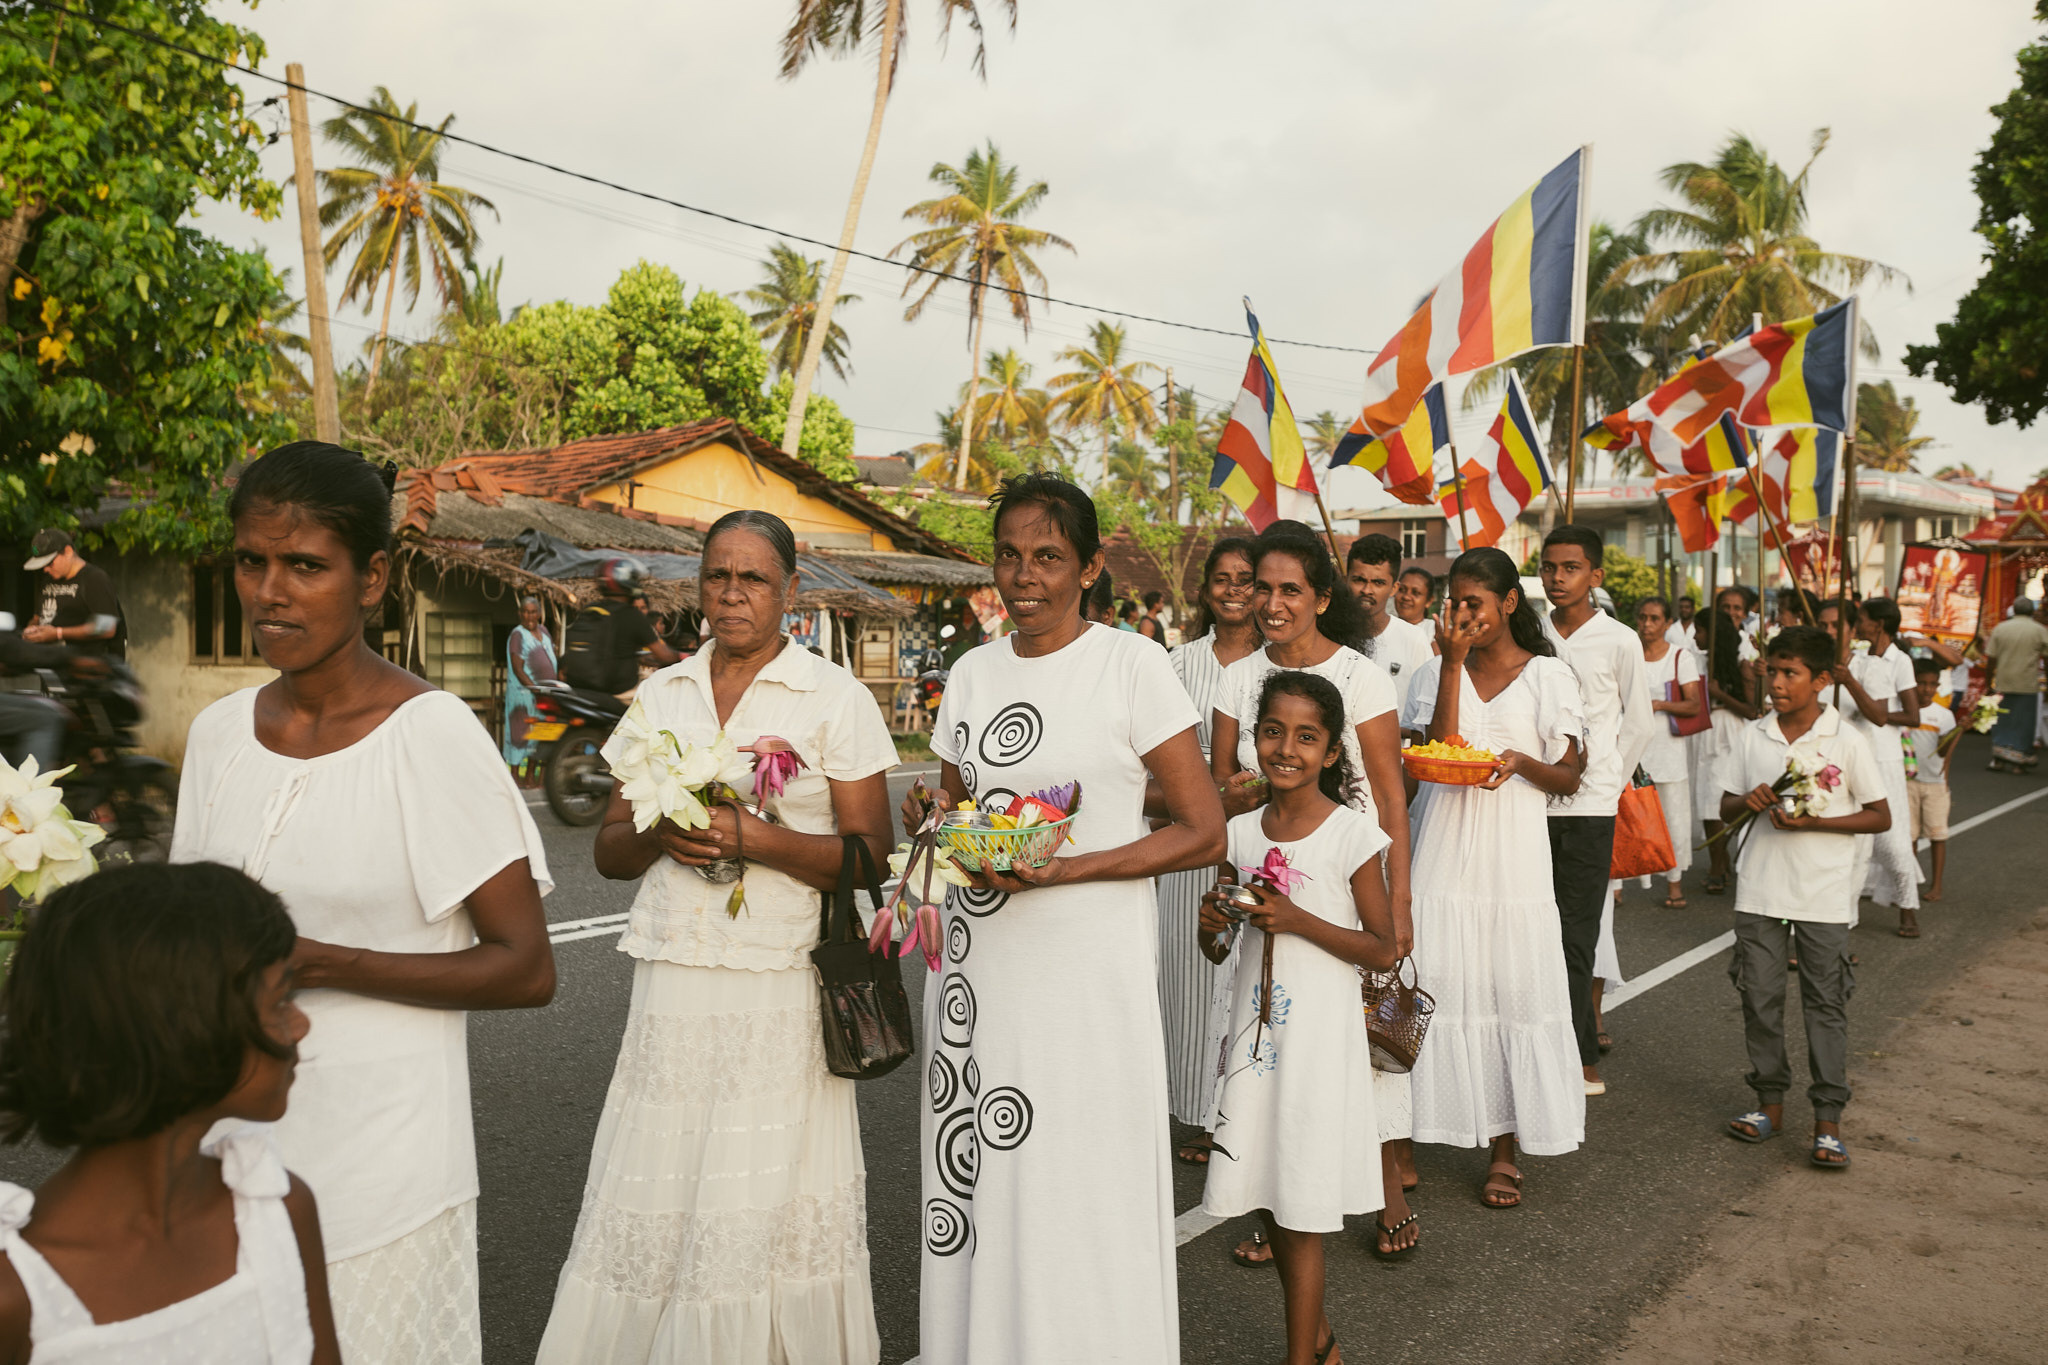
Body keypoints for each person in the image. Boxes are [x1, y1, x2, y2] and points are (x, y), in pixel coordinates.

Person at [170, 441, 556, 1365]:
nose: (270, 592)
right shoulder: (219, 735)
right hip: (230, 1149)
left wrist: (326, 961)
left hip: (383, 1168)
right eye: (252, 562)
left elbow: (527, 967)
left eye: (306, 565)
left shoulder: (427, 737)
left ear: (372, 576)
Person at [541, 510, 895, 1364]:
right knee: (659, 1170)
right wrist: (671, 825)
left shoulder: (831, 697)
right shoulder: (663, 694)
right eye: (717, 577)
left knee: (760, 1186)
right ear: (697, 586)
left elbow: (870, 855)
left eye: (754, 579)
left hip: (777, 977)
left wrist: (756, 839)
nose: (733, 595)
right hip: (676, 973)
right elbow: (612, 850)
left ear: (790, 592)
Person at [903, 475, 1223, 1365]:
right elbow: (960, 816)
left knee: (1070, 1173)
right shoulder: (970, 672)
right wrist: (930, 825)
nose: (1024, 575)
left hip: (1082, 974)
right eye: (1010, 554)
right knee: (982, 1168)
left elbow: (1203, 831)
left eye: (1048, 556)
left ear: (1087, 568)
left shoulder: (1132, 665)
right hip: (975, 968)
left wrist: (1069, 869)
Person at [0, 862, 341, 1364]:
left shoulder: (277, 1213)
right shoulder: (16, 1294)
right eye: (280, 999)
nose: (302, 1022)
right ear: (182, 1026)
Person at [1208, 529, 1417, 1260]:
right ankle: (1280, 1199)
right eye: (1260, 587)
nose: (1270, 603)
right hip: (1264, 872)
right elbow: (1221, 792)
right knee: (1272, 1045)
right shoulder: (1236, 677)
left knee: (1362, 1046)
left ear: (1322, 596)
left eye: (1289, 589)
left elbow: (1389, 797)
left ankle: (1383, 1192)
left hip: (1347, 873)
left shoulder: (1362, 677)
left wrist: (1402, 903)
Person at [1197, 671, 1398, 1365]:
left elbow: (1385, 945)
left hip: (1316, 1040)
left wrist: (1298, 918)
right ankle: (1318, 1338)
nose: (1287, 748)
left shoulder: (1352, 836)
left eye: (1307, 736)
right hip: (1255, 1040)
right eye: (1274, 731)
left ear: (1333, 752)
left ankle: (1301, 1357)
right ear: (1256, 741)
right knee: (1261, 1184)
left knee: (1301, 1206)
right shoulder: (1238, 831)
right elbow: (1221, 941)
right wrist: (1210, 924)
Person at [1402, 547, 1587, 1208]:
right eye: (1454, 604)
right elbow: (1436, 754)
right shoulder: (1432, 670)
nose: (1463, 615)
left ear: (1510, 603)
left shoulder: (1548, 678)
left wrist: (1521, 762)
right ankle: (1406, 1134)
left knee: (1511, 990)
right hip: (1444, 852)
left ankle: (1504, 1148)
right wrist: (1451, 664)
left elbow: (1568, 777)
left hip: (1514, 859)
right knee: (1430, 986)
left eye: (1474, 603)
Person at [1718, 626, 1890, 1170]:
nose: (1777, 683)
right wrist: (1748, 800)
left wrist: (1813, 822)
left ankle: (1828, 1122)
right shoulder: (1754, 734)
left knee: (1825, 1004)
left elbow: (1879, 814)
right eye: (1772, 671)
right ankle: (1770, 1104)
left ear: (1820, 680)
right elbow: (1724, 807)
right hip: (1761, 889)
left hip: (1823, 893)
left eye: (1790, 673)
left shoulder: (1845, 740)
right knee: (1759, 998)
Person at [1539, 526, 1654, 1097]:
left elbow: (1640, 723)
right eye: (1549, 567)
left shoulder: (1619, 640)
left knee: (1575, 936)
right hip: (1530, 802)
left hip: (1589, 808)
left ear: (1595, 576)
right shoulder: (1529, 636)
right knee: (1530, 930)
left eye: (1571, 568)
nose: (1558, 578)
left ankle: (1581, 1056)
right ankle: (1535, 1050)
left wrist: (1604, 780)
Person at [1159, 537, 1261, 1161]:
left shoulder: (1279, 661)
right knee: (1189, 975)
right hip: (1185, 834)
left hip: (1260, 831)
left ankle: (1243, 1107)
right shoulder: (1177, 662)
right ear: (1204, 590)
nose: (1232, 590)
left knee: (1249, 974)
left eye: (1244, 579)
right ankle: (1196, 1106)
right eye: (1220, 579)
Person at [1822, 597, 1920, 931]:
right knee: (1852, 836)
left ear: (1876, 624)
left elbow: (1901, 715)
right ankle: (1844, 910)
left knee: (1893, 839)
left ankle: (1907, 907)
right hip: (1853, 756)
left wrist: (1853, 687)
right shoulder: (1862, 660)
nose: (1858, 624)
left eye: (1860, 619)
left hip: (1884, 756)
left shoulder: (1899, 661)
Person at [1634, 596, 1701, 909]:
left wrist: (1659, 704)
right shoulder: (1629, 652)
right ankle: (1618, 883)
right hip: (1634, 747)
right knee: (1629, 816)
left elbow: (1693, 704)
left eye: (1654, 618)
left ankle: (1674, 884)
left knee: (1673, 819)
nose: (1647, 624)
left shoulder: (1680, 657)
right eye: (1643, 618)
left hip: (1669, 750)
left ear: (1667, 623)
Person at [1695, 588, 1761, 895]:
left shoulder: (1741, 658)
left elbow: (1752, 709)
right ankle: (1717, 864)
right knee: (1707, 803)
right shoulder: (1699, 657)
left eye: (1701, 631)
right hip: (1706, 733)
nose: (1696, 636)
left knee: (1723, 797)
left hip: (1730, 731)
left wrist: (1718, 693)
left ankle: (1724, 866)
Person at [559, 559, 679, 696]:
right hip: (619, 693)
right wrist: (684, 656)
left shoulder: (591, 610)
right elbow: (665, 656)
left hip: (581, 690)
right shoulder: (632, 615)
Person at [1345, 533, 1435, 715]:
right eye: (1359, 580)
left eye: (1378, 583)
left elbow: (1427, 712)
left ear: (1394, 588)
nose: (1367, 590)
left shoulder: (1414, 639)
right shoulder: (1327, 634)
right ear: (1345, 580)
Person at [20, 529, 124, 658]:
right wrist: (32, 629)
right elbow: (37, 617)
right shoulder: (48, 581)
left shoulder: (94, 579)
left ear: (68, 552)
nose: (45, 569)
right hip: (55, 666)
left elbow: (107, 627)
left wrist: (58, 633)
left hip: (91, 668)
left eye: (50, 563)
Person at [1906, 657, 1957, 913]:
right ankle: (1908, 884)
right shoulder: (1904, 710)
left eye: (1932, 684)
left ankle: (1936, 884)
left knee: (1938, 836)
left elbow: (1944, 753)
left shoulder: (1944, 715)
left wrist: (1953, 735)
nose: (1926, 689)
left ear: (1938, 686)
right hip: (1908, 782)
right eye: (1921, 683)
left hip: (1935, 783)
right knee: (1909, 837)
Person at [1984, 596, 2048, 770]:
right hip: (2027, 684)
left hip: (2003, 682)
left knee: (2002, 720)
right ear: (2032, 611)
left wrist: (1988, 681)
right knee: (2023, 723)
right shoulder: (2039, 630)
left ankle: (1998, 759)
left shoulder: (2000, 629)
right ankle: (2017, 762)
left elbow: (1991, 658)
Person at [502, 596, 558, 784]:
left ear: (539, 614)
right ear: (520, 614)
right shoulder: (517, 635)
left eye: (533, 611)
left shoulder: (544, 631)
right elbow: (518, 668)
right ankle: (516, 778)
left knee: (541, 736)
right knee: (520, 735)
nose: (529, 616)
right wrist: (534, 689)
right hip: (523, 696)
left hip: (545, 696)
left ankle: (533, 778)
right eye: (525, 612)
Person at [1394, 567, 1440, 651]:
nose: (1406, 597)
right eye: (1402, 590)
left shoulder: (1432, 631)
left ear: (1429, 601)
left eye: (1415, 593)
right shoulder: (1385, 627)